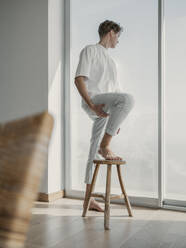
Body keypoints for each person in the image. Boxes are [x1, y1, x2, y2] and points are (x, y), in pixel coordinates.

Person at [74, 20, 135, 212]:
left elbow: (116, 93)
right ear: (110, 32)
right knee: (128, 99)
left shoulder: (111, 61)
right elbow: (79, 79)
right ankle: (105, 145)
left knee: (92, 152)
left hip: (106, 109)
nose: (118, 40)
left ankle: (87, 199)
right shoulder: (90, 50)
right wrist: (92, 105)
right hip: (94, 101)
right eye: (118, 36)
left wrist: (116, 121)